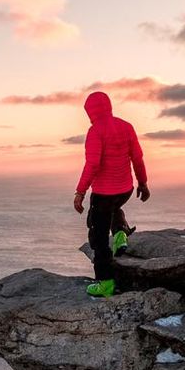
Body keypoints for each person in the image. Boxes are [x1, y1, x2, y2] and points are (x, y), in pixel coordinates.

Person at [72, 89, 148, 298]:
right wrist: (143, 183)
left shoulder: (96, 131)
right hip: (125, 189)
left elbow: (93, 164)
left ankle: (105, 283)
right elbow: (138, 158)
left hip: (104, 193)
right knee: (115, 207)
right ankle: (121, 234)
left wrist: (80, 192)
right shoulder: (126, 126)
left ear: (90, 112)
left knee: (98, 237)